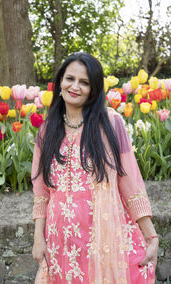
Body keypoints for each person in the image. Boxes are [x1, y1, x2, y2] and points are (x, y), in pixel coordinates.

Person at [31, 52, 159, 284]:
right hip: (61, 240)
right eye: (70, 79)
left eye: (85, 82)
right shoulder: (46, 130)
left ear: (94, 88)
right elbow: (41, 193)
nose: (75, 87)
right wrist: (38, 238)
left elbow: (130, 183)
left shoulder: (110, 124)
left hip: (103, 237)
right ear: (60, 82)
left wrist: (151, 235)